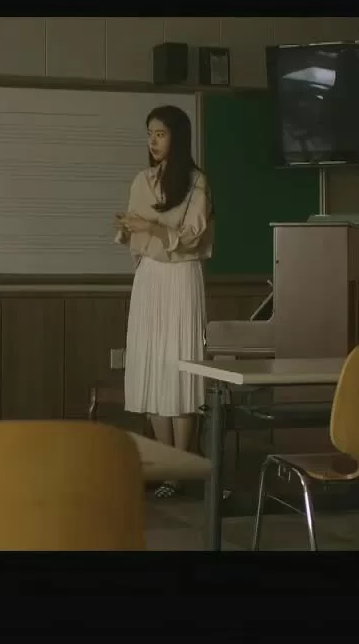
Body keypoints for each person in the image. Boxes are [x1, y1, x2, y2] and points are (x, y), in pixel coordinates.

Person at [114, 105, 213, 498]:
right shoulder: (143, 179)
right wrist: (127, 228)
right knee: (153, 365)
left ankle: (181, 465)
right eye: (150, 134)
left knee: (180, 365)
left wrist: (152, 227)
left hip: (180, 276)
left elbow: (192, 237)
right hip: (150, 277)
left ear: (178, 137)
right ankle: (165, 464)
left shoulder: (196, 182)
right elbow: (135, 234)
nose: (153, 141)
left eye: (160, 133)